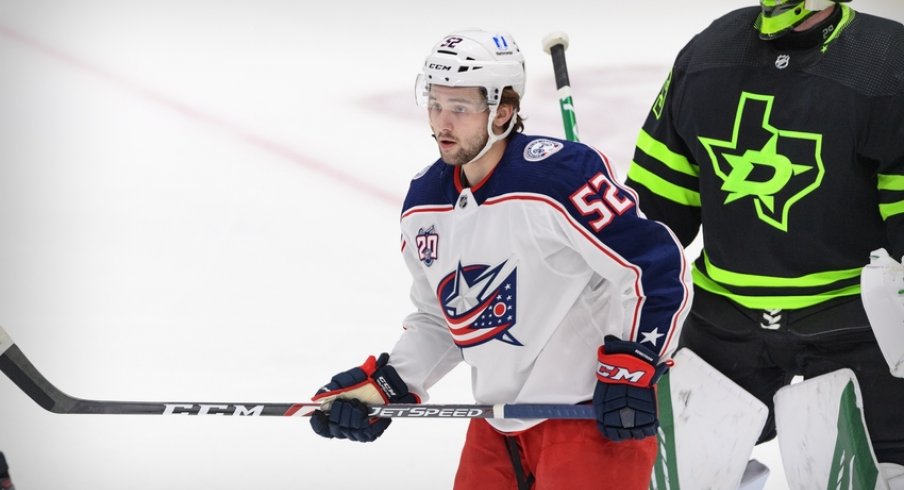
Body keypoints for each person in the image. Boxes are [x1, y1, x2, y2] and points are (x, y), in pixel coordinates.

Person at [308, 29, 691, 489]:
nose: (442, 123)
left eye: (461, 108)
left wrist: (634, 362)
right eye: (435, 103)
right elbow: (440, 318)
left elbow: (654, 266)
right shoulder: (425, 201)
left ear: (503, 112)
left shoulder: (559, 178)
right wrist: (389, 384)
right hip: (496, 424)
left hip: (591, 420)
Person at [625, 0, 904, 472]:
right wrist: (611, 283)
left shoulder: (886, 61)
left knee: (877, 474)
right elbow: (656, 211)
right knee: (676, 473)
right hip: (724, 314)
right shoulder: (708, 52)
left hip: (852, 319)